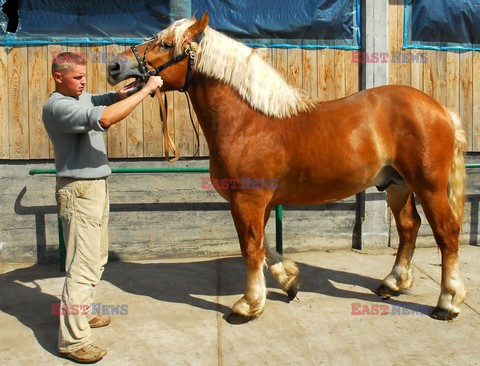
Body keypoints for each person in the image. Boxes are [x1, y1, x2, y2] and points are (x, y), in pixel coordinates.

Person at [42, 52, 163, 363]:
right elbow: (106, 116)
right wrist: (147, 90)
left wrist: (129, 90)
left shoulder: (80, 96)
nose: (83, 83)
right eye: (77, 78)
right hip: (79, 191)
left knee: (96, 259)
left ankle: (84, 314)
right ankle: (73, 341)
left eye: (84, 76)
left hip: (95, 188)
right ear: (59, 78)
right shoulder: (58, 107)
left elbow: (104, 98)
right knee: (81, 267)